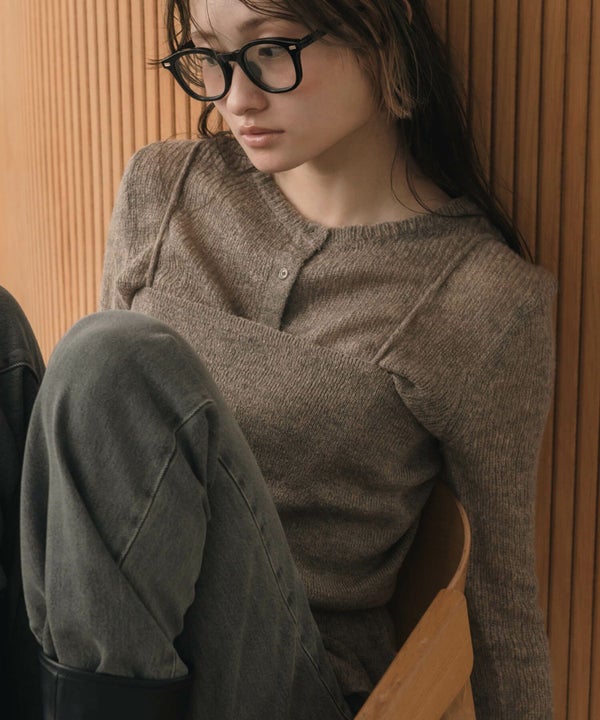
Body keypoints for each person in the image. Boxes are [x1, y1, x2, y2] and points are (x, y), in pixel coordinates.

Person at [14, 0, 555, 718]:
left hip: (281, 677)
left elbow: (497, 601)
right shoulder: (164, 187)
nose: (236, 98)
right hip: (103, 650)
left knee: (112, 359)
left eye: (270, 49)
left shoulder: (480, 298)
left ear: (383, 30)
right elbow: (104, 476)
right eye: (210, 56)